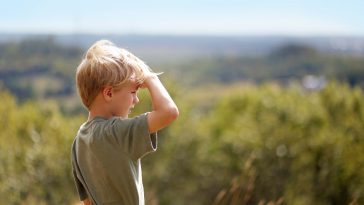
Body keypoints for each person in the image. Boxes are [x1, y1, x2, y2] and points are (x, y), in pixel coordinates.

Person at [71, 40, 179, 205]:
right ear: (108, 93)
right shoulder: (116, 133)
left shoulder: (78, 142)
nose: (136, 100)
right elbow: (169, 112)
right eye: (133, 92)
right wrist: (150, 79)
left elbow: (87, 202)